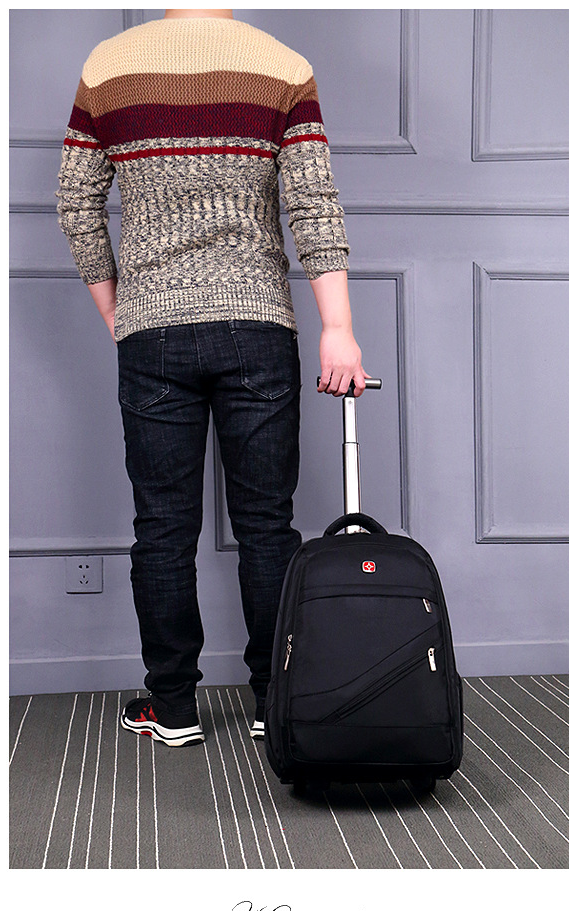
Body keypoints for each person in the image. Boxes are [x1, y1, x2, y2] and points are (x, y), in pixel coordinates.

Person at [57, 8, 367, 746]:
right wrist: (339, 329)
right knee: (267, 525)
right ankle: (274, 700)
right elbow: (314, 207)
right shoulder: (282, 65)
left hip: (152, 328)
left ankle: (172, 708)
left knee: (162, 526)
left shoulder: (108, 66)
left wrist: (118, 309)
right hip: (258, 324)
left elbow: (75, 206)